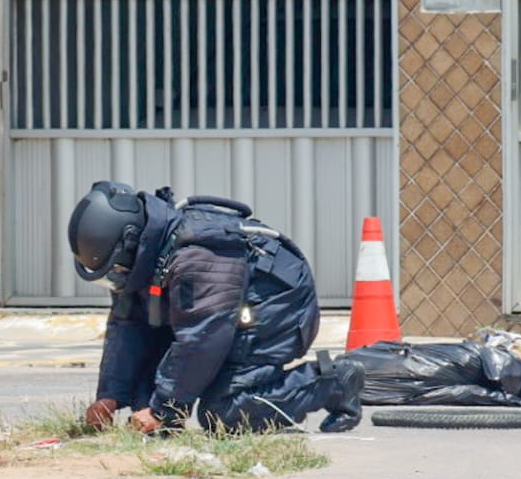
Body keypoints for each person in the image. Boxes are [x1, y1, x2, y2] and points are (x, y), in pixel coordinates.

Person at [68, 181, 364, 434]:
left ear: (130, 243)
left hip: (276, 313)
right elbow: (128, 326)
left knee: (223, 413)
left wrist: (163, 409)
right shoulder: (146, 257)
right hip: (226, 315)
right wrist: (110, 395)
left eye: (113, 272)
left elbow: (202, 340)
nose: (115, 281)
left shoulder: (197, 257)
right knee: (145, 389)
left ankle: (332, 383)